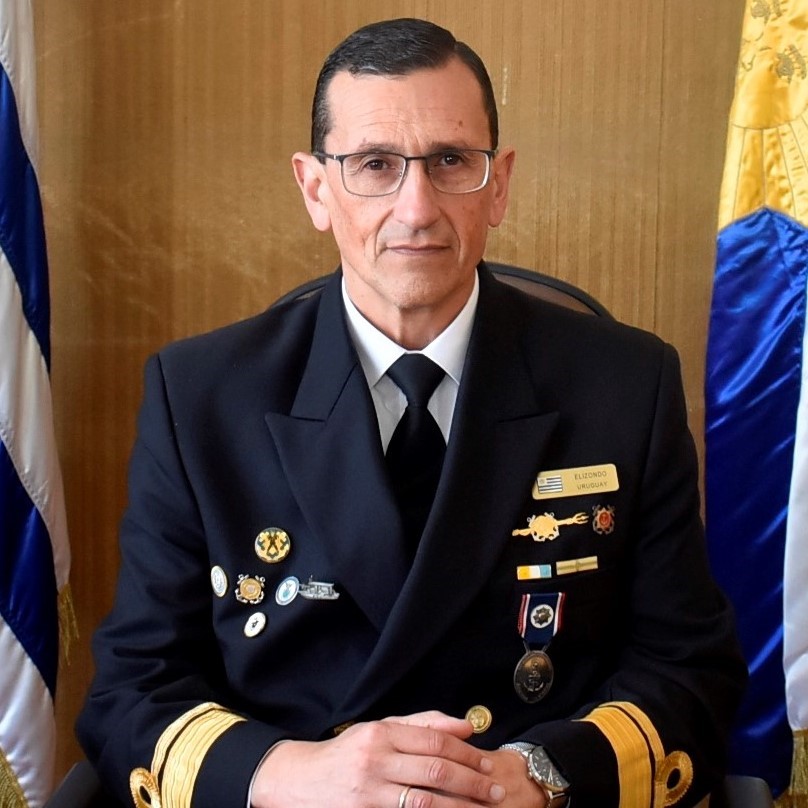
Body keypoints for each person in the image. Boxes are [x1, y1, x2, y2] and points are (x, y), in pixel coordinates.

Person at [77, 17, 746, 808]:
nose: (417, 208)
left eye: (451, 161)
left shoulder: (625, 385)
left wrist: (544, 774)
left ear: (498, 185)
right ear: (315, 189)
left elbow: (688, 668)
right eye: (375, 165)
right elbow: (134, 687)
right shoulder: (201, 395)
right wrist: (287, 773)